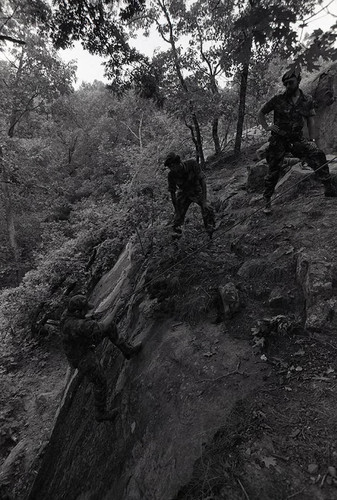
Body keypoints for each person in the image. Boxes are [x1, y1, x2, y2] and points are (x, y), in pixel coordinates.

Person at [257, 66, 336, 214]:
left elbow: (311, 120)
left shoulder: (307, 100)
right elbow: (261, 112)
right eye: (285, 83)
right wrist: (267, 127)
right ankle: (267, 199)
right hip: (278, 139)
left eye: (291, 82)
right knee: (273, 170)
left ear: (298, 81)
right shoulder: (278, 99)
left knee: (318, 154)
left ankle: (328, 187)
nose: (288, 86)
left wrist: (312, 139)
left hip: (297, 139)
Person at [60, 295, 142, 422]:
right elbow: (100, 327)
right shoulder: (75, 324)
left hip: (83, 344)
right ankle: (101, 413)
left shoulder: (68, 314)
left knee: (110, 326)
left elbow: (84, 320)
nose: (87, 311)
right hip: (81, 357)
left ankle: (127, 351)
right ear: (77, 311)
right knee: (100, 381)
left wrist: (89, 317)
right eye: (84, 309)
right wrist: (117, 308)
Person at [164, 152, 215, 238]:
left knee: (207, 208)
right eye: (169, 167)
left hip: (197, 189)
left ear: (178, 163)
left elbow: (203, 181)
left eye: (172, 166)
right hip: (183, 192)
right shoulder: (171, 175)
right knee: (177, 218)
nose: (171, 169)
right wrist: (177, 210)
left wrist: (204, 200)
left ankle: (210, 233)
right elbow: (172, 193)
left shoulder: (192, 164)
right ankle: (177, 238)